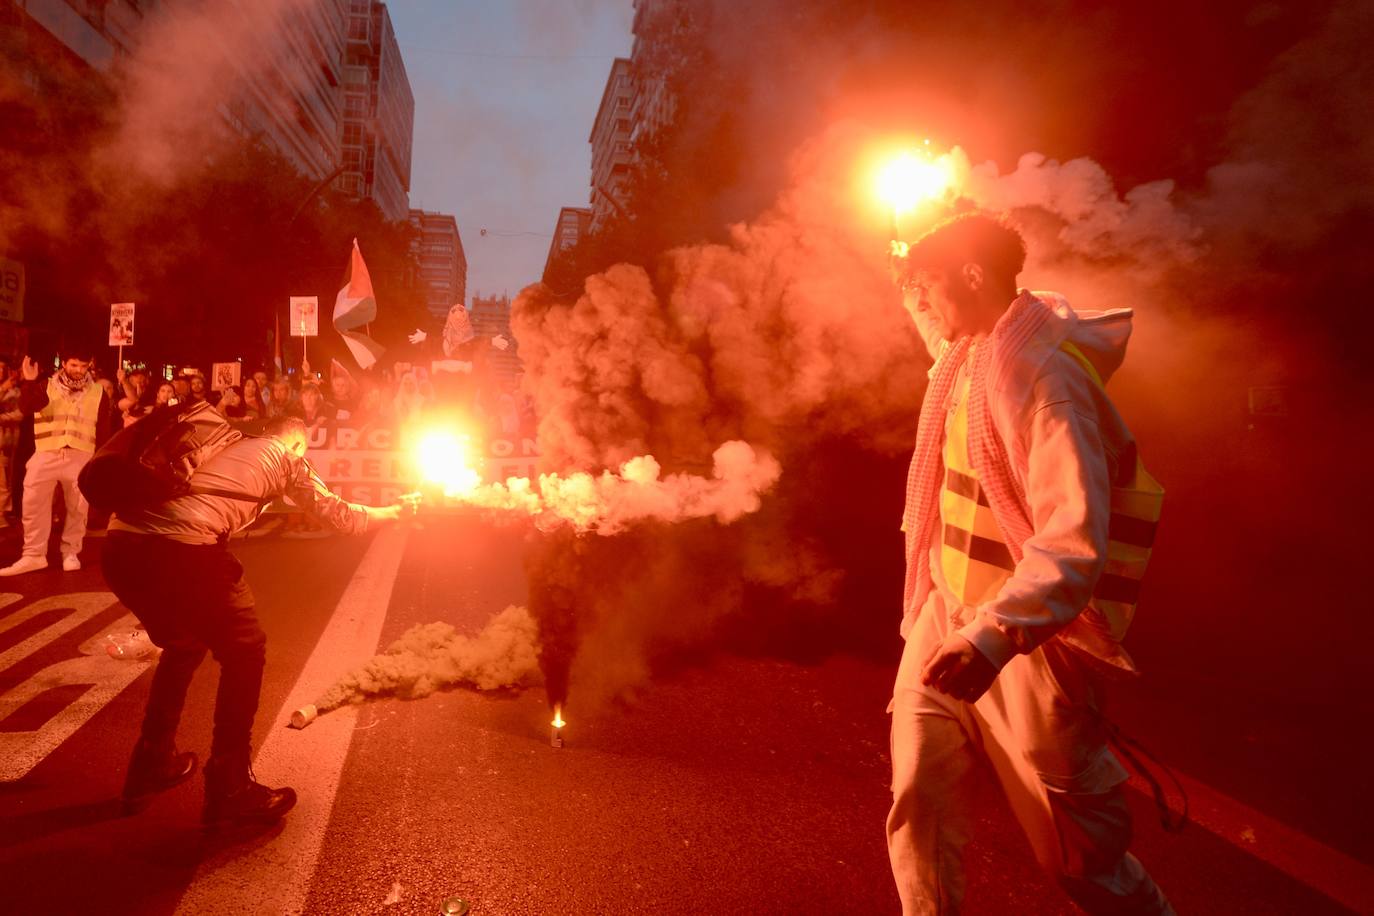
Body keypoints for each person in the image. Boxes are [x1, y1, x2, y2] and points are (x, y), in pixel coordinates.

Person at [885, 213, 1172, 914]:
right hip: (946, 612)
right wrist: (906, 262)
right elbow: (933, 321)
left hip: (1027, 642)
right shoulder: (969, 356)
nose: (925, 302)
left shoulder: (1045, 380)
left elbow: (1073, 542)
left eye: (932, 284)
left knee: (1077, 856)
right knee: (919, 798)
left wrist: (993, 637)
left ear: (973, 276)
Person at [101, 414, 420, 829]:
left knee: (183, 646)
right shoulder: (286, 456)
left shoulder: (221, 444)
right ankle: (230, 787)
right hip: (185, 551)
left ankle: (151, 763)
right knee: (245, 651)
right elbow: (342, 517)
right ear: (296, 442)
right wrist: (396, 510)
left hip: (119, 549)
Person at [0, 352, 113, 575]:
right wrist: (29, 381)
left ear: (89, 365)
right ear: (64, 364)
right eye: (74, 365)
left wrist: (98, 460)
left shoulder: (98, 392)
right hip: (46, 452)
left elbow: (103, 428)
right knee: (33, 503)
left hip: (81, 455)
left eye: (83, 366)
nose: (78, 370)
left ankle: (70, 552)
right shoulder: (46, 385)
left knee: (78, 508)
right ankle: (33, 554)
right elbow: (27, 406)